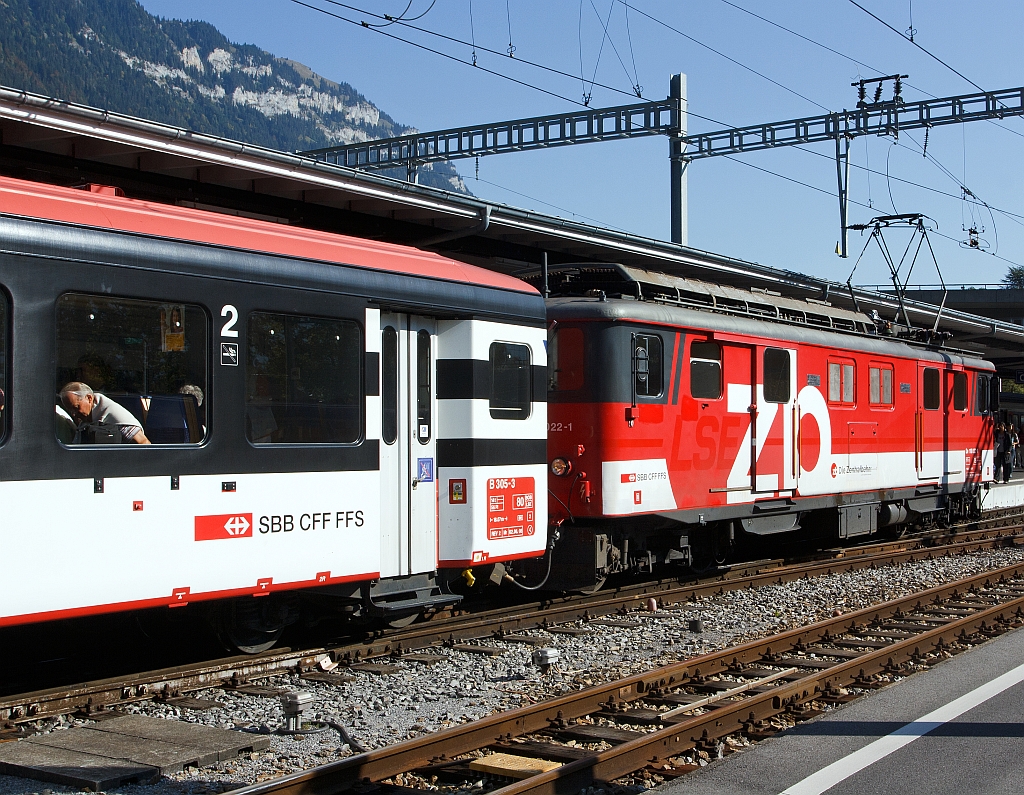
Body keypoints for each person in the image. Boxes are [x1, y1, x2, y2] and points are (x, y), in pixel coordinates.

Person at [59, 382, 151, 444]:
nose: (74, 414)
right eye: (70, 410)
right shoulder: (84, 421)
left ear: (89, 398)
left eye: (76, 407)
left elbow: (144, 444)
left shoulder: (114, 415)